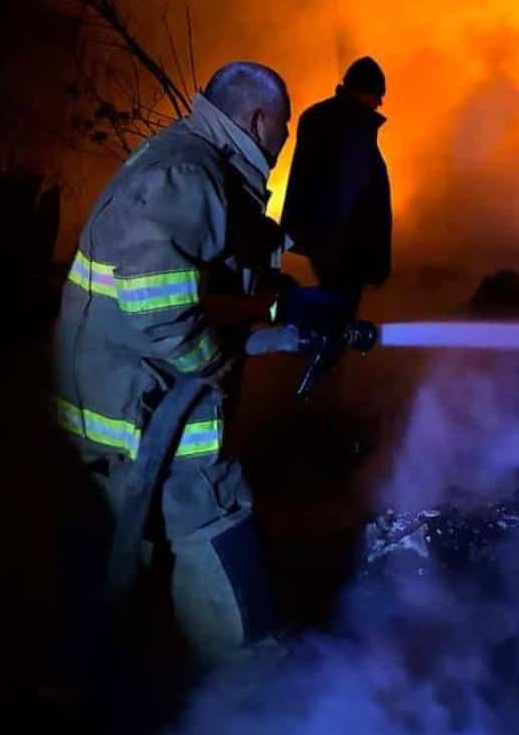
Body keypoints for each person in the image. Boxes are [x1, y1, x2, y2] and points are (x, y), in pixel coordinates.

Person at [51, 61, 304, 669]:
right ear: (258, 118)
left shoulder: (190, 160)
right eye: (285, 127)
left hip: (123, 391)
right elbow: (159, 303)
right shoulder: (188, 174)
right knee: (212, 513)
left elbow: (202, 258)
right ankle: (253, 682)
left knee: (121, 542)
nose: (285, 140)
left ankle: (97, 673)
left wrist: (275, 290)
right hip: (139, 400)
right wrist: (211, 364)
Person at [280, 55, 392, 326]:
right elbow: (356, 196)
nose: (380, 103)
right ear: (363, 91)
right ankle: (320, 359)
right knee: (337, 315)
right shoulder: (351, 129)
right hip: (344, 247)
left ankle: (312, 348)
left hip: (327, 242)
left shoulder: (321, 119)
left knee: (332, 311)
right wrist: (369, 257)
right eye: (377, 95)